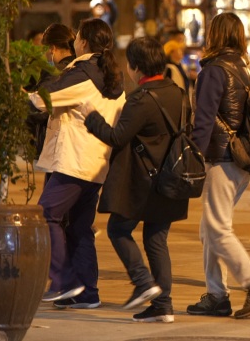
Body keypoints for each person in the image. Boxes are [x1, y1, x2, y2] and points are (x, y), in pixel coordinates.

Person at [82, 37, 189, 323]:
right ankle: (163, 306)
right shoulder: (178, 92)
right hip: (171, 178)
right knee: (156, 240)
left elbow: (117, 137)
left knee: (118, 229)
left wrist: (91, 118)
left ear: (136, 67)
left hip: (143, 182)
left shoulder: (141, 98)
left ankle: (143, 282)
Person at [186, 12, 250, 319]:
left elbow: (204, 119)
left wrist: (193, 155)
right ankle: (216, 295)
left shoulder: (214, 71)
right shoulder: (244, 69)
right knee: (209, 229)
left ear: (214, 35)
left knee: (216, 228)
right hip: (239, 158)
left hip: (222, 157)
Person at [28, 18, 125, 307]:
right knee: (79, 228)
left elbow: (41, 100)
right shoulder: (111, 74)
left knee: (45, 215)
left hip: (74, 161)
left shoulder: (83, 73)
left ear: (83, 42)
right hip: (97, 164)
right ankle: (86, 294)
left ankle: (64, 281)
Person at [26, 23, 76, 161]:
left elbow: (41, 107)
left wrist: (23, 98)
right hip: (74, 145)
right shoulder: (80, 68)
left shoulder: (55, 72)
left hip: (57, 145)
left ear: (52, 48)